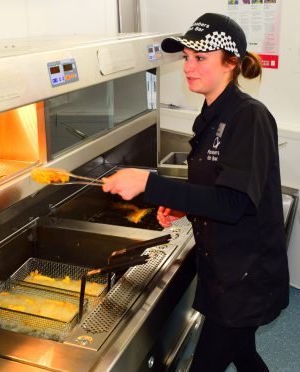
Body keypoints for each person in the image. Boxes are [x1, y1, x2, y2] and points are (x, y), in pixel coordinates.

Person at [102, 13, 289, 372]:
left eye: (200, 58)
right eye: (186, 57)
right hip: (226, 269)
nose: (188, 67)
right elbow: (216, 187)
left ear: (231, 63)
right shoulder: (211, 113)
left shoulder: (249, 117)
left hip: (246, 278)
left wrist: (150, 184)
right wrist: (182, 205)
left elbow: (233, 203)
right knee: (244, 354)